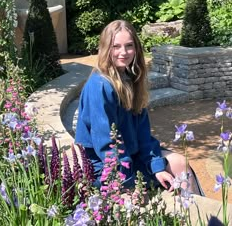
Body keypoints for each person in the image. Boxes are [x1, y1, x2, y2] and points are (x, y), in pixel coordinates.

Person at [75, 19, 203, 195]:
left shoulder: (130, 79)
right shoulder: (100, 86)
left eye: (129, 46)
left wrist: (156, 167)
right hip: (105, 167)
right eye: (116, 46)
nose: (124, 52)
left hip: (132, 156)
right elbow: (106, 145)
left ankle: (194, 217)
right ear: (106, 48)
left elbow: (143, 135)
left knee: (181, 164)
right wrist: (127, 184)